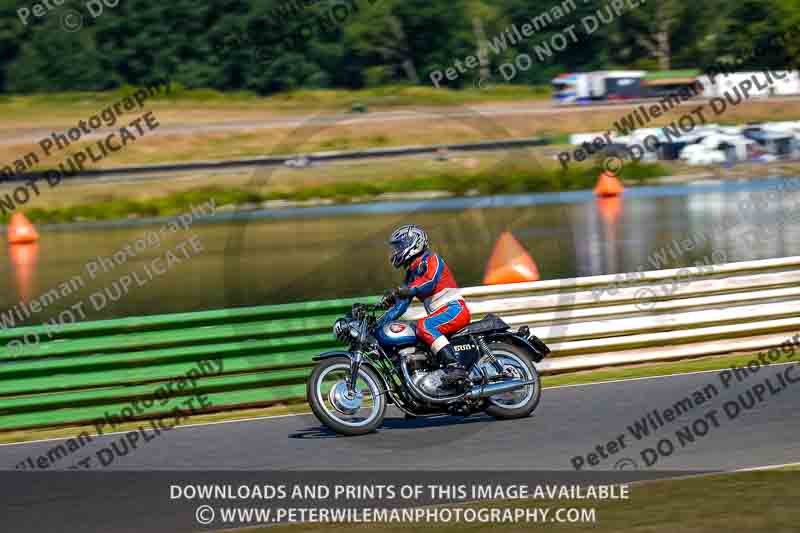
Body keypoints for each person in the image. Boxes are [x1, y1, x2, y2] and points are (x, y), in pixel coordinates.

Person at [378, 224, 472, 384]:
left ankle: (455, 367)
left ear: (413, 243)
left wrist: (404, 290)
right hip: (441, 314)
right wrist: (380, 321)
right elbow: (400, 306)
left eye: (399, 246)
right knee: (413, 332)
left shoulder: (431, 259)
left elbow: (429, 282)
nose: (396, 251)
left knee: (424, 326)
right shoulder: (411, 273)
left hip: (454, 309)